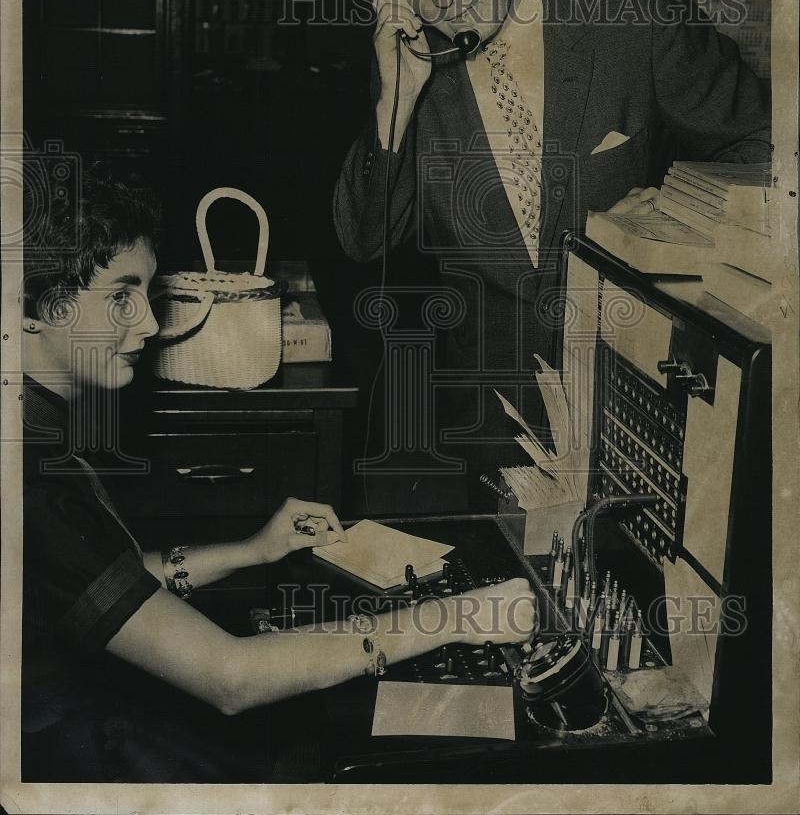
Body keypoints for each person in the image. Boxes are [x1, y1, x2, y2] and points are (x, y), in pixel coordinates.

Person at [21, 163, 536, 782]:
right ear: (27, 307)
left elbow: (97, 581)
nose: (152, 325)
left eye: (148, 295)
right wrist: (460, 618)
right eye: (121, 297)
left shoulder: (33, 423)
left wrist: (251, 550)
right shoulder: (29, 480)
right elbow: (231, 678)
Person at [333, 0, 772, 491]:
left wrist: (669, 220)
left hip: (642, 392)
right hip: (491, 426)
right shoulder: (411, 72)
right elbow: (363, 239)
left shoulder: (635, 17)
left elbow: (763, 146)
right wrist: (390, 102)